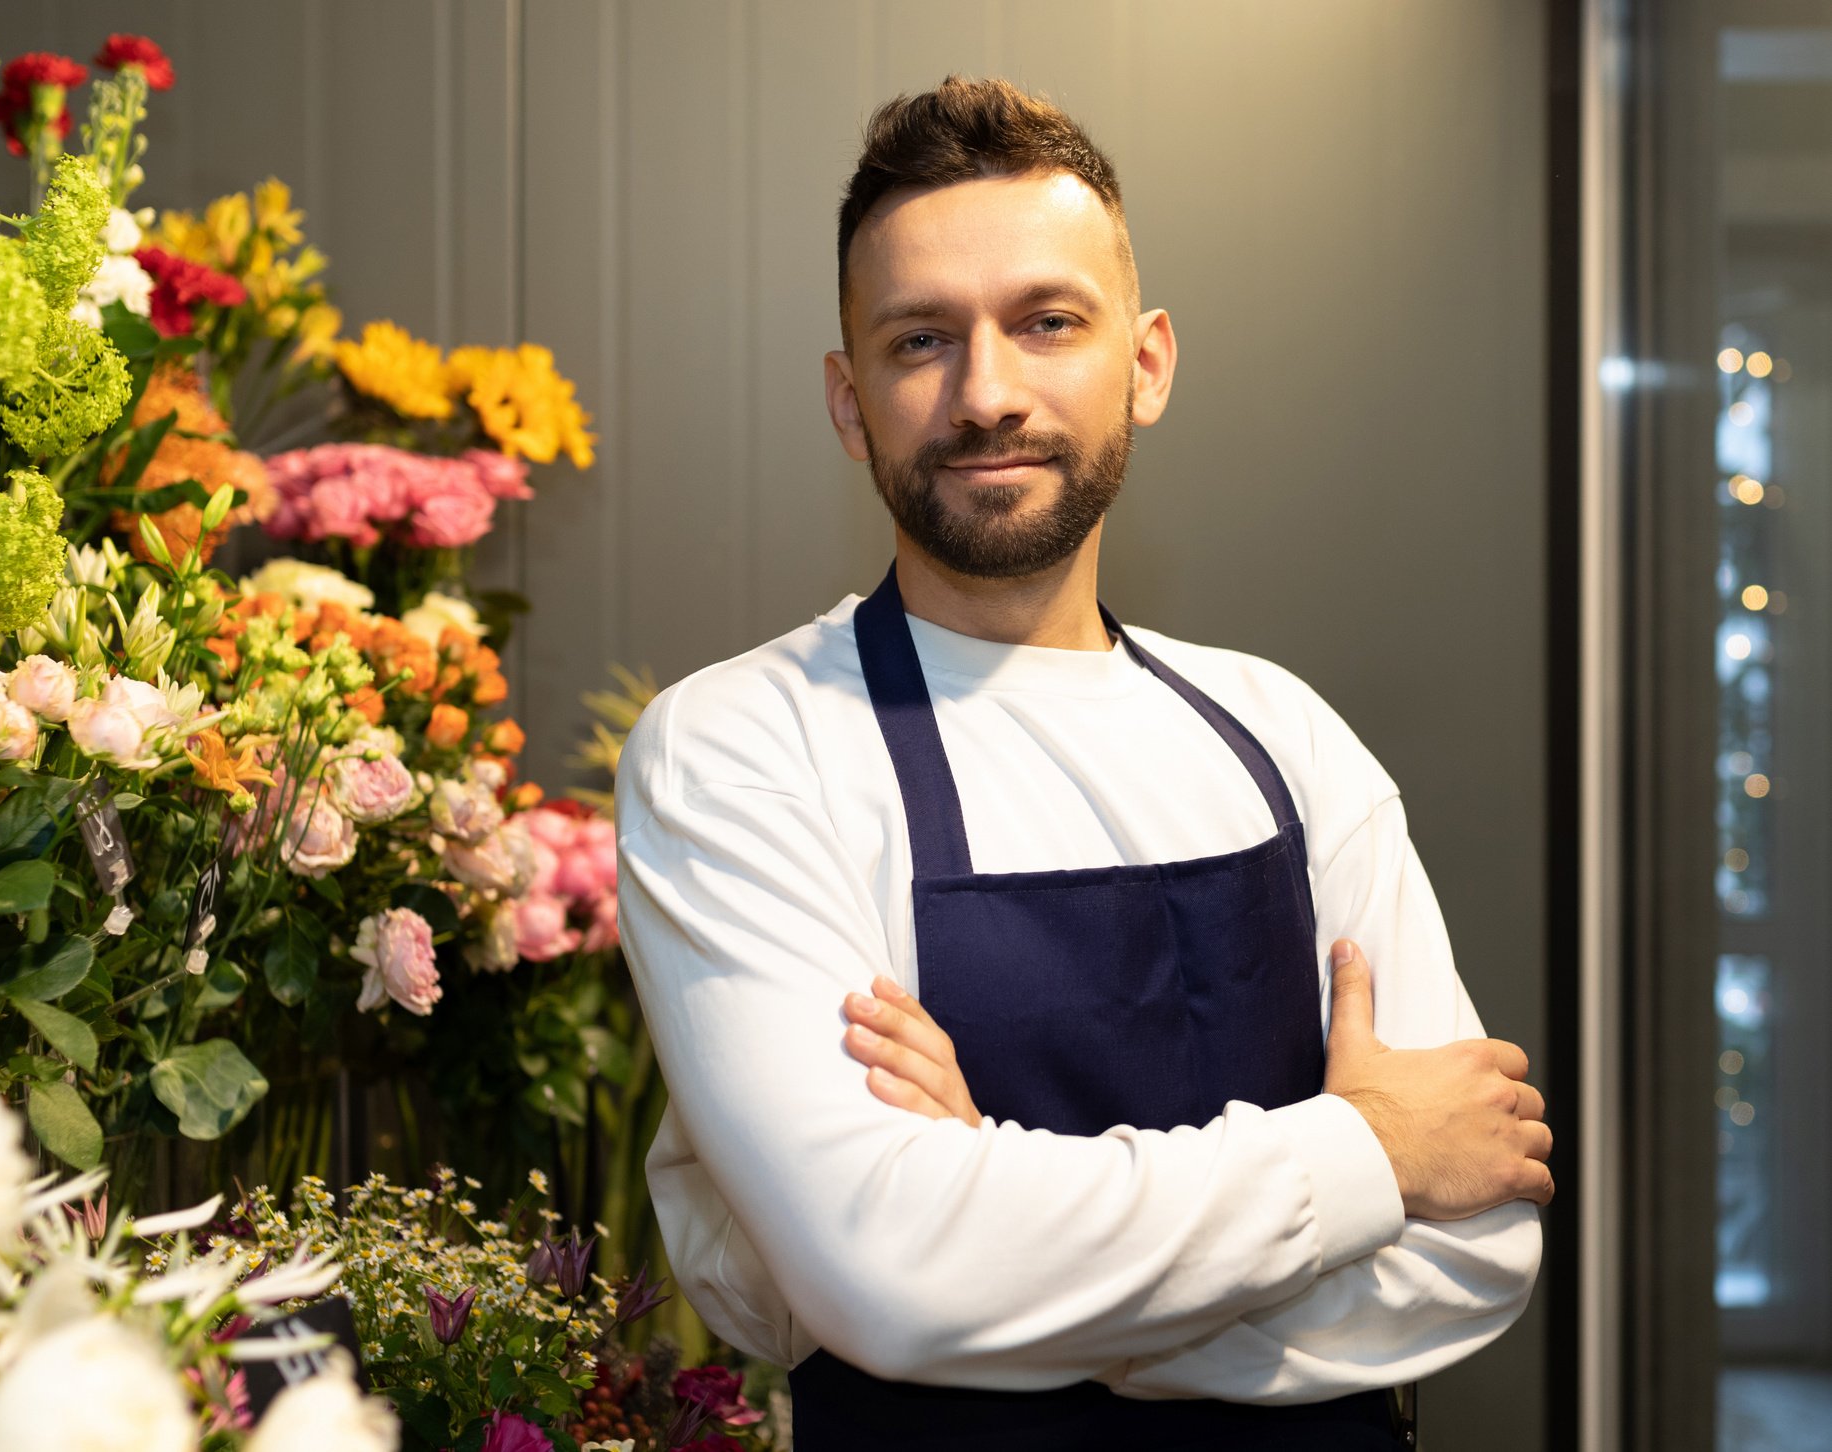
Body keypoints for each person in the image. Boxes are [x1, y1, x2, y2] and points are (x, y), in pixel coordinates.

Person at [614, 76, 1551, 1450]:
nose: (984, 394)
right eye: (918, 340)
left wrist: (992, 1217)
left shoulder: (1283, 736)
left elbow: (1473, 1248)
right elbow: (879, 1274)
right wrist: (1365, 1155)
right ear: (846, 398)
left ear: (1146, 361)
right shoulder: (741, 748)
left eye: (1046, 323)